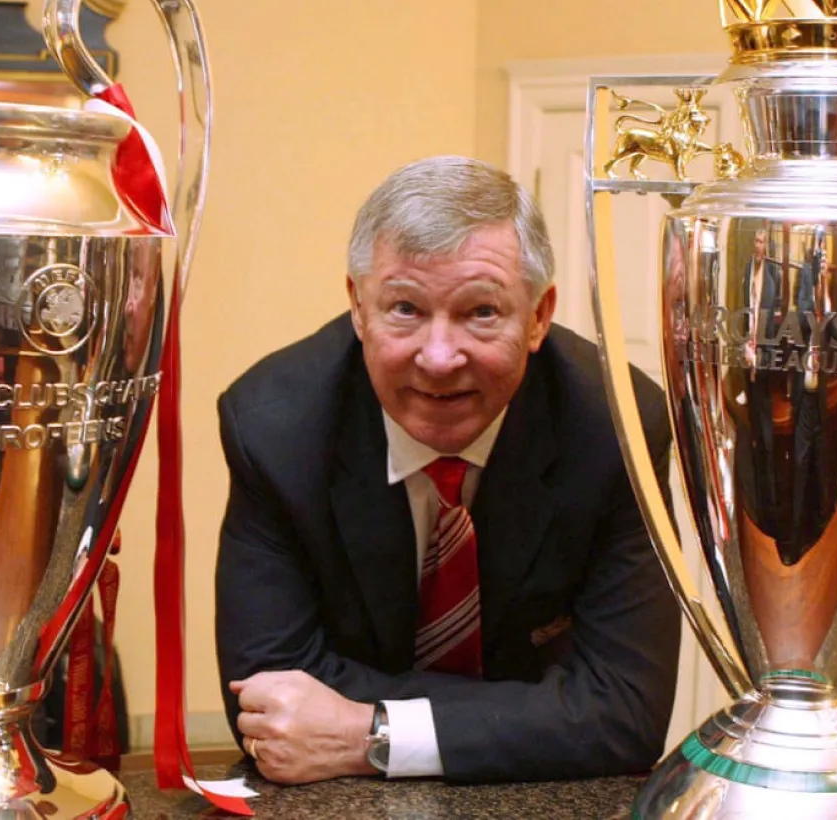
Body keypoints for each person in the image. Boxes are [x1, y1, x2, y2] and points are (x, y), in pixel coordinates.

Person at [213, 156, 679, 785]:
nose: (437, 357)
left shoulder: (618, 425)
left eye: (481, 312)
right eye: (404, 309)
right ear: (358, 306)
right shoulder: (273, 428)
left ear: (539, 315)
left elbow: (625, 712)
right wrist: (537, 711)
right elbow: (269, 702)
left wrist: (371, 734)